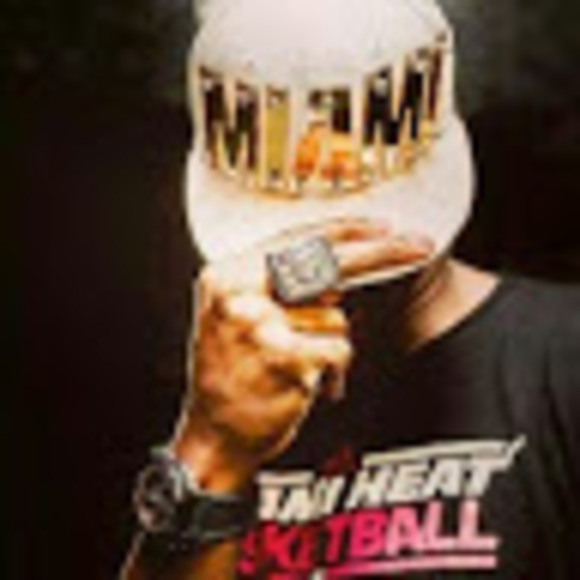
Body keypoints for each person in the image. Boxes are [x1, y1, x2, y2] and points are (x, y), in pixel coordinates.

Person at [122, 0, 580, 577]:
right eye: (295, 229)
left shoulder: (561, 357)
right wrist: (213, 452)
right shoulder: (202, 394)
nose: (331, 267)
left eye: (356, 218)